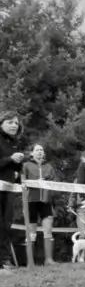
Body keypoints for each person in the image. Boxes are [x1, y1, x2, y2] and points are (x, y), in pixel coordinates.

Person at [21, 143, 59, 265]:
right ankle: (30, 262)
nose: (39, 152)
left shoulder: (49, 166)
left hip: (46, 200)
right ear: (31, 153)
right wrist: (35, 182)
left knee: (48, 228)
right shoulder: (26, 165)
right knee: (31, 231)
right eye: (37, 150)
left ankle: (49, 259)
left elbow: (55, 182)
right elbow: (22, 181)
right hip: (30, 200)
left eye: (41, 150)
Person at [0, 111, 25, 272]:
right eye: (10, 122)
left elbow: (13, 169)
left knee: (7, 226)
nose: (14, 125)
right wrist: (10, 159)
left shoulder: (14, 143)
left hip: (7, 189)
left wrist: (17, 167)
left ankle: (4, 261)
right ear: (1, 123)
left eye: (16, 123)